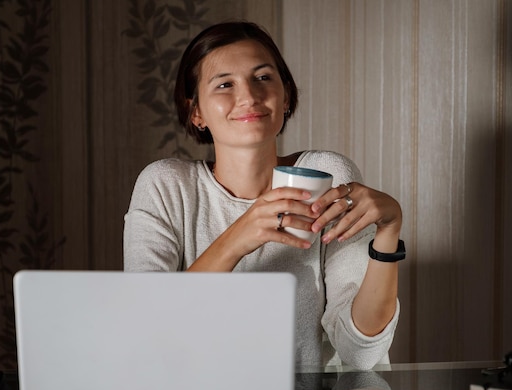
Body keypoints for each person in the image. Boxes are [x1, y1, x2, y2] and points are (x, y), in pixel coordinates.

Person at [124, 21, 404, 370]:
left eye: (263, 78)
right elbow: (147, 331)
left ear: (285, 95)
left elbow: (361, 353)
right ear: (196, 111)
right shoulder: (166, 185)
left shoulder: (327, 174)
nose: (249, 96)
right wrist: (239, 236)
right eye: (225, 84)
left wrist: (389, 232)